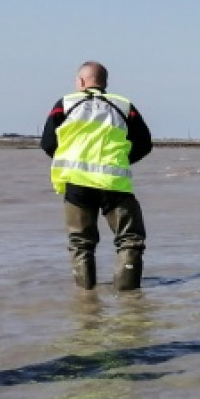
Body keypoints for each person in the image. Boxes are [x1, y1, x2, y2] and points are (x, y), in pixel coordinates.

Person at [41, 61, 153, 290]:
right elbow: (145, 143)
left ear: (81, 81)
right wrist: (122, 159)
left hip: (77, 184)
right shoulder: (123, 105)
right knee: (129, 240)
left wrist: (69, 159)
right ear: (105, 82)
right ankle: (127, 298)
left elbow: (48, 143)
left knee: (81, 243)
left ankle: (86, 299)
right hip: (114, 182)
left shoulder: (65, 103)